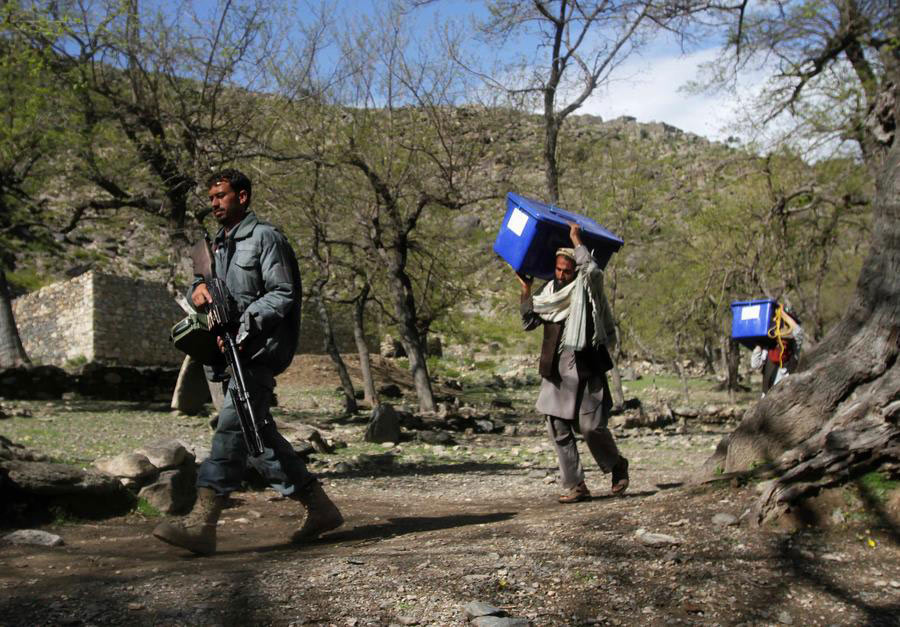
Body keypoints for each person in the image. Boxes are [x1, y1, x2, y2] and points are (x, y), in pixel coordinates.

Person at [153, 169, 343, 555]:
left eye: (221, 196)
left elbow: (283, 293)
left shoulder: (265, 238)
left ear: (243, 196)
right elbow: (200, 285)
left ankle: (201, 522)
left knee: (230, 430)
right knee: (260, 440)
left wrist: (243, 322)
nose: (214, 203)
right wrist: (200, 291)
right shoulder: (217, 245)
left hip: (255, 354)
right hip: (226, 355)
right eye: (211, 198)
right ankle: (320, 507)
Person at [516, 222, 629, 503]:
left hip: (587, 368)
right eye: (559, 269)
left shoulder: (586, 286)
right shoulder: (549, 294)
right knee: (559, 429)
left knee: (591, 428)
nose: (563, 274)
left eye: (567, 270)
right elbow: (529, 321)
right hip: (556, 372)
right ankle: (576, 485)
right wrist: (526, 291)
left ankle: (617, 465)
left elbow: (592, 270)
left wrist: (577, 240)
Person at [750, 305, 804, 396]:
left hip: (787, 397)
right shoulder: (768, 348)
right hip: (767, 398)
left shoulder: (793, 349)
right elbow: (755, 365)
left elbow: (799, 332)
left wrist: (782, 314)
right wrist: (759, 345)